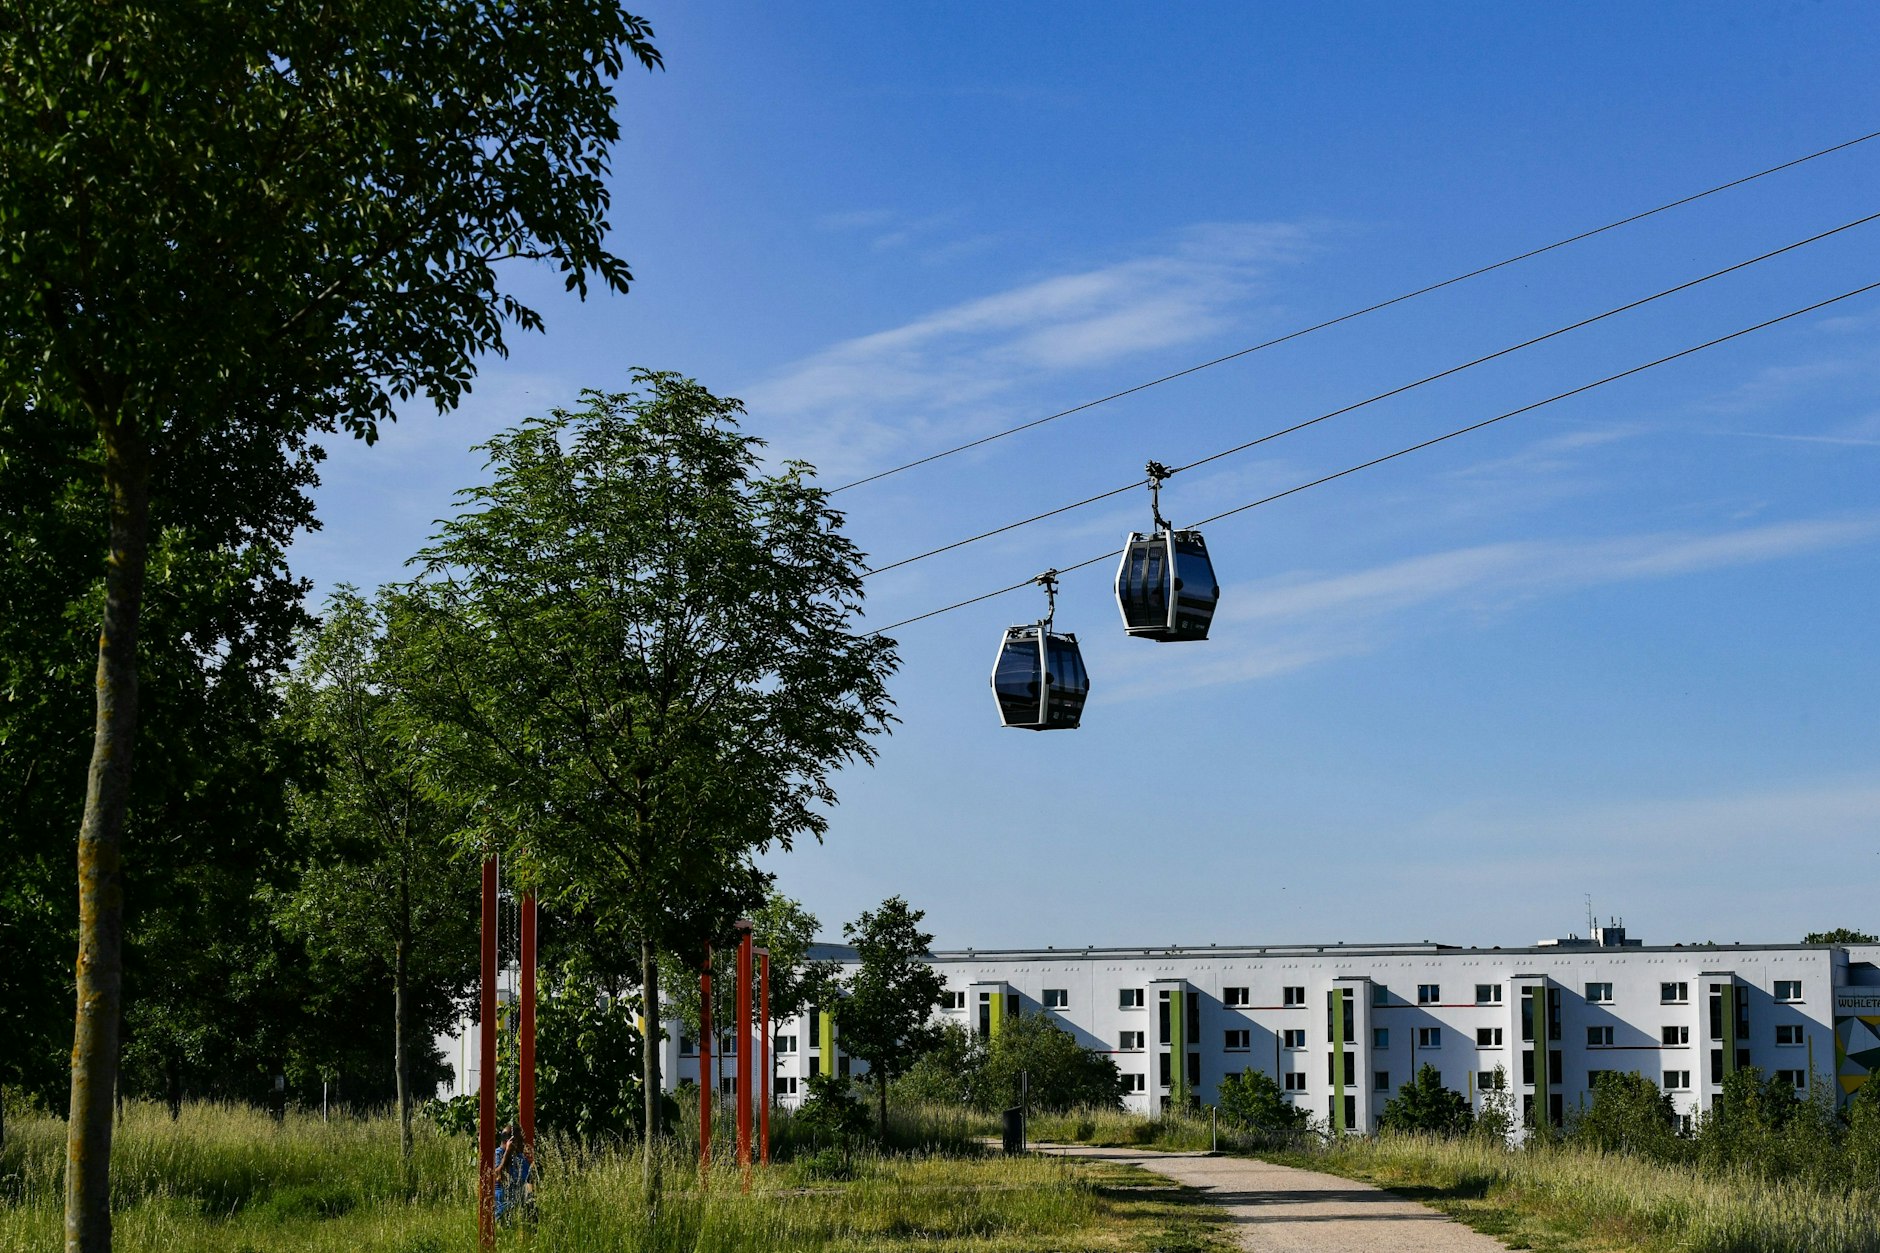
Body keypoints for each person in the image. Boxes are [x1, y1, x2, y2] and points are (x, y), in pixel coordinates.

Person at [492, 1123, 534, 1223]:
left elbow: (528, 1180)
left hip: (519, 1205)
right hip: (503, 1206)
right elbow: (497, 1175)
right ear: (510, 1140)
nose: (522, 1143)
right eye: (520, 1140)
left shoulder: (520, 1157)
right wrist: (507, 1153)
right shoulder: (497, 1154)